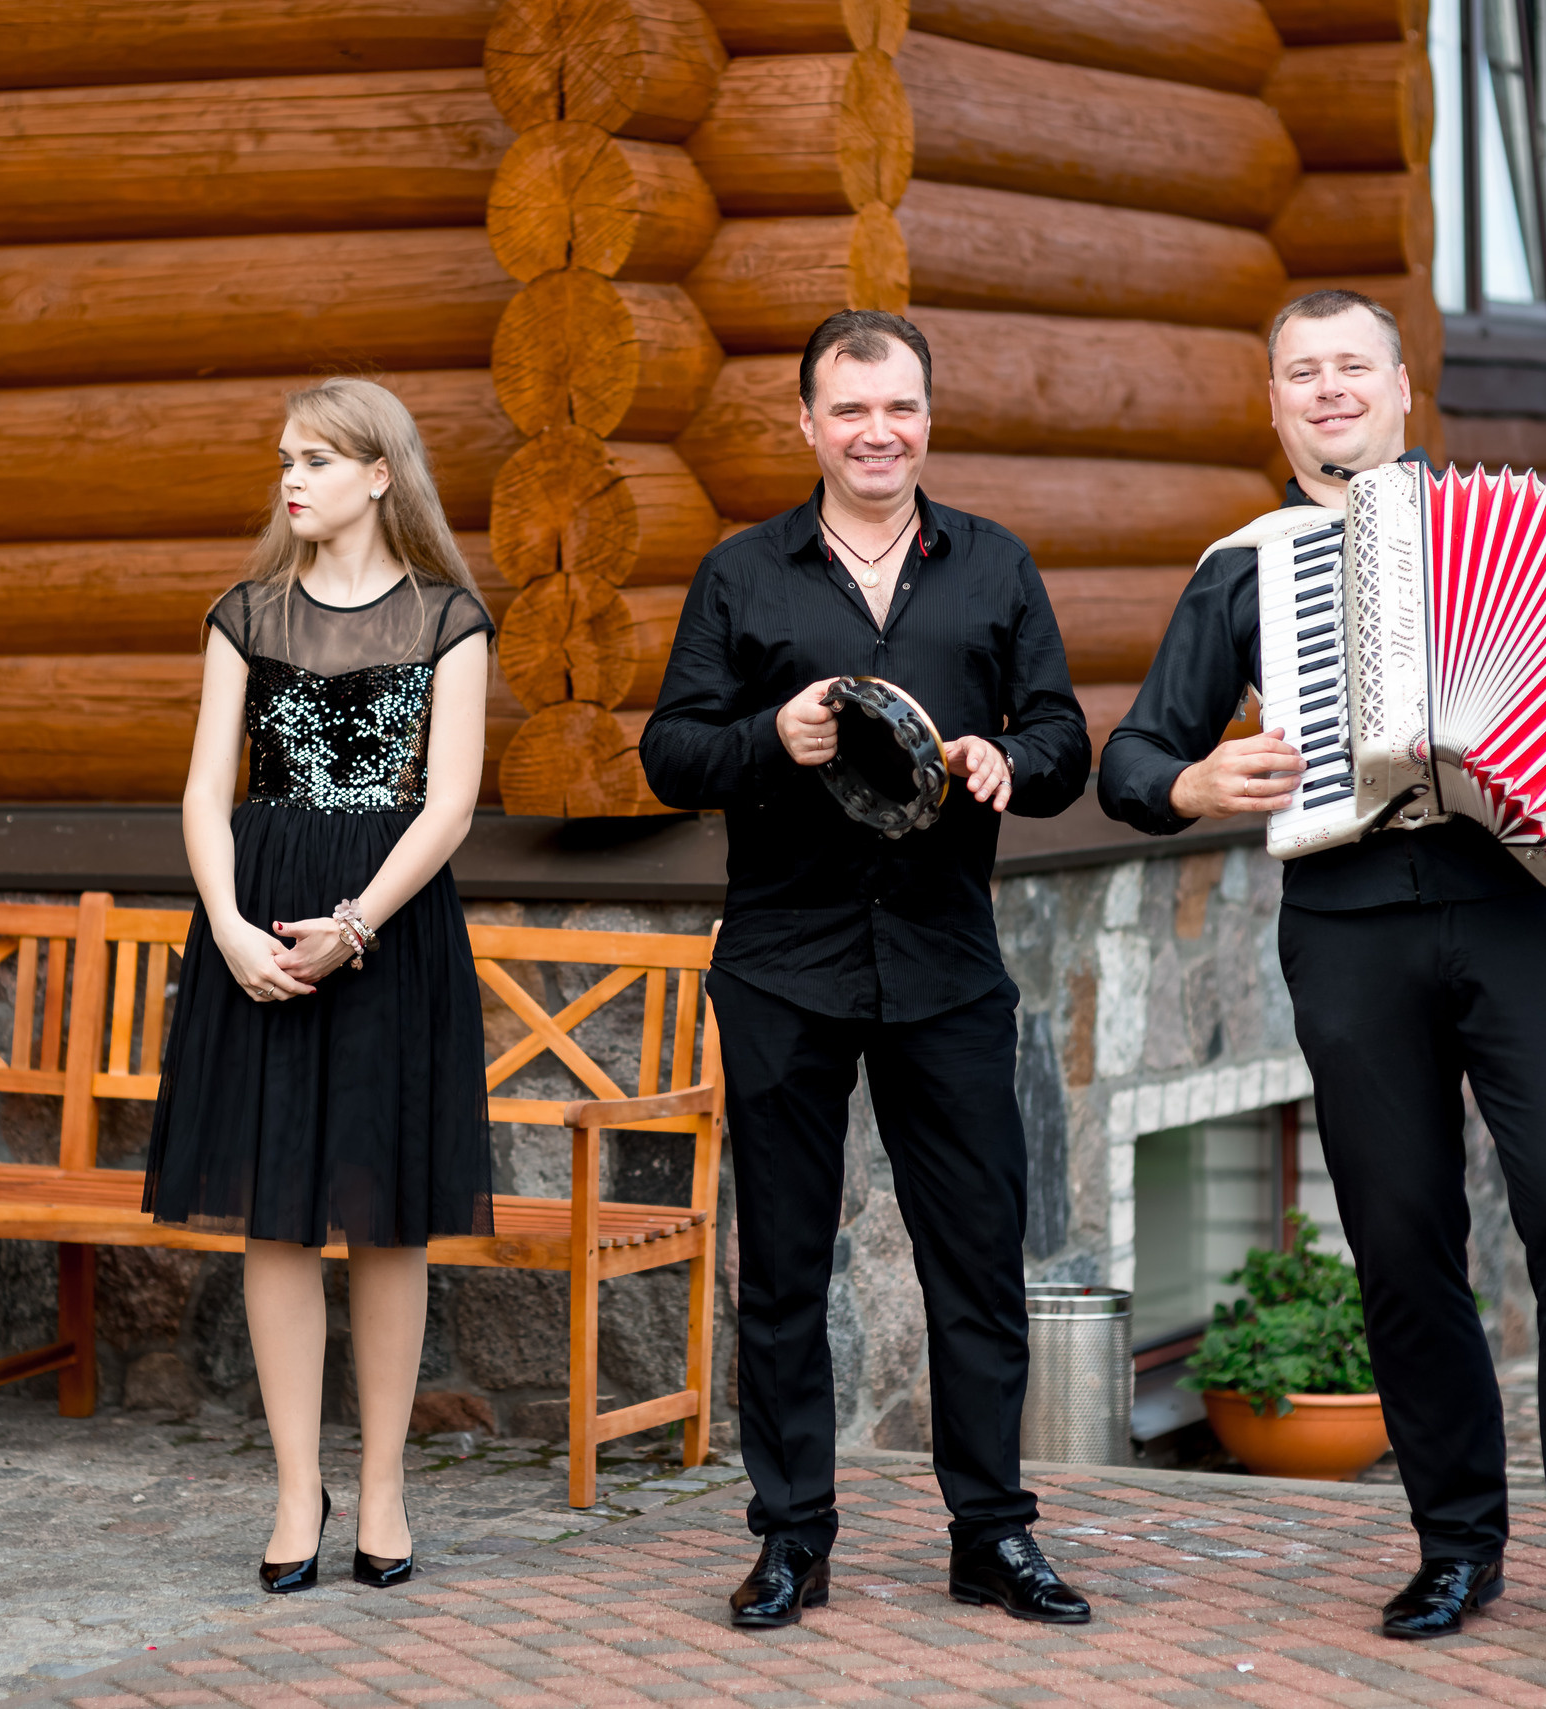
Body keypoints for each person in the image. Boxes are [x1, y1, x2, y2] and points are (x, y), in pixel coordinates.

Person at [1101, 290, 1546, 1674]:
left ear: (1404, 388)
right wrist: (1193, 780)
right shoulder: (1246, 567)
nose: (1329, 389)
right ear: (1273, 405)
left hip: (1527, 914)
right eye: (1302, 372)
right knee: (1401, 1240)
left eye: (1352, 365)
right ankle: (1456, 1542)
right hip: (1349, 928)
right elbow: (1132, 761)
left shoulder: (1523, 536)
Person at [641, 310, 1095, 1628]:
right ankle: (793, 1538)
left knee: (977, 1260)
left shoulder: (996, 565)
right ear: (808, 424)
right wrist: (764, 737)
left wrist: (1013, 758)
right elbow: (669, 751)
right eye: (849, 409)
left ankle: (992, 1533)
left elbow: (1063, 734)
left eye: (898, 407)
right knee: (785, 1267)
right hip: (782, 962)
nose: (876, 431)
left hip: (947, 962)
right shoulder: (741, 573)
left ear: (927, 418)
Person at [143, 376, 496, 1597]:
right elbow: (204, 790)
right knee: (276, 1210)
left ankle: (384, 1486)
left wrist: (354, 925)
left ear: (379, 474)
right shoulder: (244, 613)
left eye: (317, 459)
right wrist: (229, 928)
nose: (291, 479)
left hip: (390, 921)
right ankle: (299, 1486)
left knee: (386, 1210)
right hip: (259, 914)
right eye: (285, 459)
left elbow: (450, 802)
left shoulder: (450, 618)